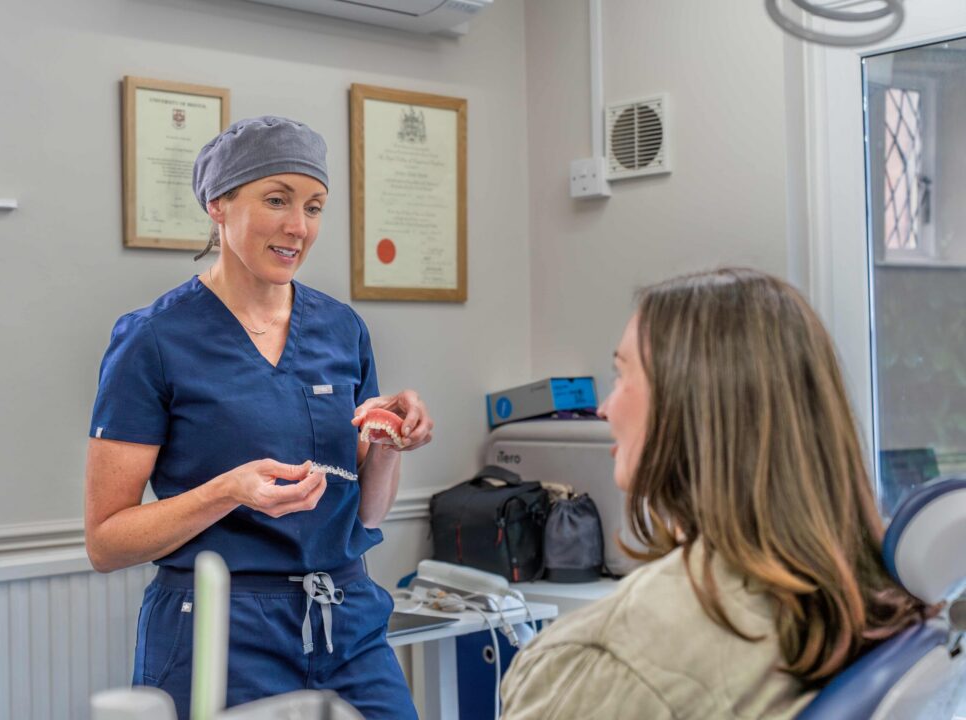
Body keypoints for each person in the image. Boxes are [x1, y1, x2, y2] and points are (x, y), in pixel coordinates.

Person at [84, 116, 430, 719]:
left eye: (315, 206)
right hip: (221, 631)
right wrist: (226, 493)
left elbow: (366, 512)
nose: (299, 226)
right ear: (219, 204)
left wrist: (388, 443)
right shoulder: (153, 339)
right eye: (277, 200)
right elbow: (107, 542)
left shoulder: (342, 329)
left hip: (346, 621)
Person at [500, 268, 930, 719]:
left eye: (621, 376)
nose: (604, 408)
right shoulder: (873, 591)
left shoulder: (626, 655)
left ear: (691, 408)